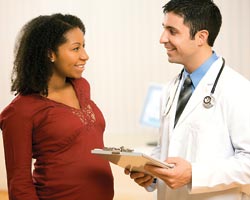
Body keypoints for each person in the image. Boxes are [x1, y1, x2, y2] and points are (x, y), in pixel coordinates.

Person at [125, 0, 250, 199]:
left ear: (201, 37)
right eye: (164, 29)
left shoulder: (238, 89)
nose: (162, 39)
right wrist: (152, 174)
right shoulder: (170, 89)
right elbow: (168, 147)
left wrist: (194, 174)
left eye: (172, 31)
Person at [0, 13, 114, 200]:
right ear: (50, 53)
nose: (85, 56)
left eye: (83, 46)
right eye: (75, 48)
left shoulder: (82, 87)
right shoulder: (20, 111)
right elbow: (18, 182)